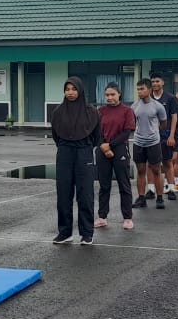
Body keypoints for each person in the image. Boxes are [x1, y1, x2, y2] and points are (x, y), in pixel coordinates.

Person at [50, 76, 101, 245]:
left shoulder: (92, 112)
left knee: (85, 194)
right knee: (63, 194)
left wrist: (84, 147)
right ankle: (65, 233)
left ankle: (87, 233)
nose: (70, 92)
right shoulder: (58, 112)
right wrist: (67, 146)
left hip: (84, 152)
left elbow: (97, 137)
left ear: (80, 91)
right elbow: (56, 136)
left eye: (74, 89)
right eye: (67, 89)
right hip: (64, 152)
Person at [95, 82, 136, 230]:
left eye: (112, 94)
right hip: (102, 149)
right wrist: (103, 146)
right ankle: (102, 217)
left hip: (119, 149)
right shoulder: (100, 111)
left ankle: (127, 218)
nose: (110, 97)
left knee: (124, 184)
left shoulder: (127, 111)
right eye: (107, 95)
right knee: (104, 185)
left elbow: (127, 132)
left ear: (119, 94)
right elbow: (96, 132)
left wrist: (110, 146)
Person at [130, 79, 167, 213]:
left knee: (156, 170)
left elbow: (164, 124)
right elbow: (132, 123)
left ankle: (160, 198)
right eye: (138, 89)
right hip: (138, 142)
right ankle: (141, 198)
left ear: (149, 89)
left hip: (153, 143)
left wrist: (153, 132)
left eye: (142, 89)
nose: (139, 92)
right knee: (140, 171)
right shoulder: (134, 106)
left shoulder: (158, 106)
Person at [149, 73, 178, 200]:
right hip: (150, 137)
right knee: (150, 164)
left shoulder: (170, 98)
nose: (155, 84)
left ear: (162, 82)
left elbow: (174, 118)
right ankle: (151, 189)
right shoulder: (147, 97)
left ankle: (171, 189)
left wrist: (171, 136)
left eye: (157, 81)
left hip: (165, 136)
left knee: (167, 162)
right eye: (153, 81)